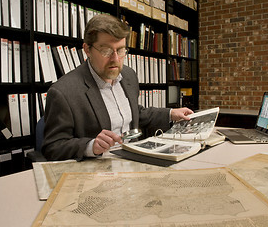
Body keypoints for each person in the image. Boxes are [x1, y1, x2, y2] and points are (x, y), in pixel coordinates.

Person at [42, 14, 194, 161]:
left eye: (120, 50)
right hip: (98, 171)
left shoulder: (128, 76)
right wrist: (91, 146)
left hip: (133, 161)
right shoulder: (63, 92)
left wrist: (171, 113)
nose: (115, 59)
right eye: (106, 50)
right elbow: (53, 147)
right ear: (87, 50)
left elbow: (135, 112)